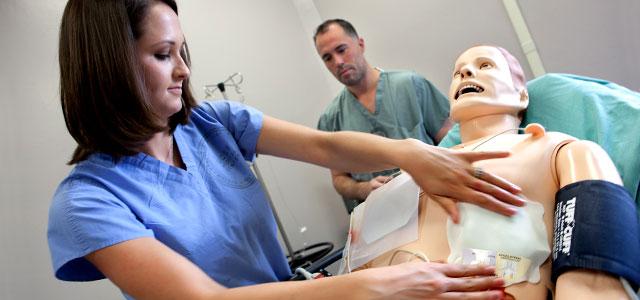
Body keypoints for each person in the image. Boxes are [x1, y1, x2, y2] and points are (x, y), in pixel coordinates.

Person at [47, 1, 529, 299]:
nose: (183, 71)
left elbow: (325, 146)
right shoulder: (88, 202)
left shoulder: (212, 123)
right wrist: (363, 287)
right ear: (109, 67)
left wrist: (409, 153)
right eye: (161, 55)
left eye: (182, 53)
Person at [345, 45, 640, 299]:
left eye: (485, 65)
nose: (466, 74)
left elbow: (593, 287)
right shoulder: (390, 192)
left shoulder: (563, 153)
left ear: (521, 96)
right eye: (457, 72)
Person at [314, 19, 453, 213]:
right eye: (327, 58)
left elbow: (453, 143)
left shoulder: (411, 85)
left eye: (341, 49)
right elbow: (338, 179)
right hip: (384, 217)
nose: (338, 62)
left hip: (437, 203)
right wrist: (362, 188)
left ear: (360, 44)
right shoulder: (331, 119)